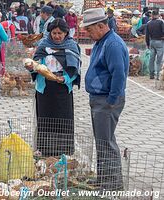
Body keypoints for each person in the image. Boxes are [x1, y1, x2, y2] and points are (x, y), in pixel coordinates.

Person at [81, 8, 129, 190]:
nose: (88, 33)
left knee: (106, 142)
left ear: (101, 26)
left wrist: (112, 99)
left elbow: (119, 74)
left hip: (107, 100)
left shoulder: (113, 44)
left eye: (90, 29)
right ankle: (103, 178)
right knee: (101, 141)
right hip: (99, 98)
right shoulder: (102, 41)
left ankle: (112, 184)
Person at [25, 18, 81, 157]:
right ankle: (45, 150)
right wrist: (32, 67)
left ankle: (63, 151)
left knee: (62, 119)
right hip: (45, 89)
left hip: (62, 89)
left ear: (66, 33)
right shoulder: (43, 45)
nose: (56, 36)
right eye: (54, 33)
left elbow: (75, 69)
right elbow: (37, 66)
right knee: (45, 119)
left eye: (60, 33)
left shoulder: (72, 46)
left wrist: (65, 78)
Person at [146, 10, 164, 80]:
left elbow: (147, 35)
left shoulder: (148, 23)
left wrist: (148, 44)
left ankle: (151, 74)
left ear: (152, 15)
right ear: (158, 15)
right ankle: (158, 75)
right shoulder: (161, 22)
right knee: (159, 60)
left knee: (151, 59)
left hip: (152, 42)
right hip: (160, 42)